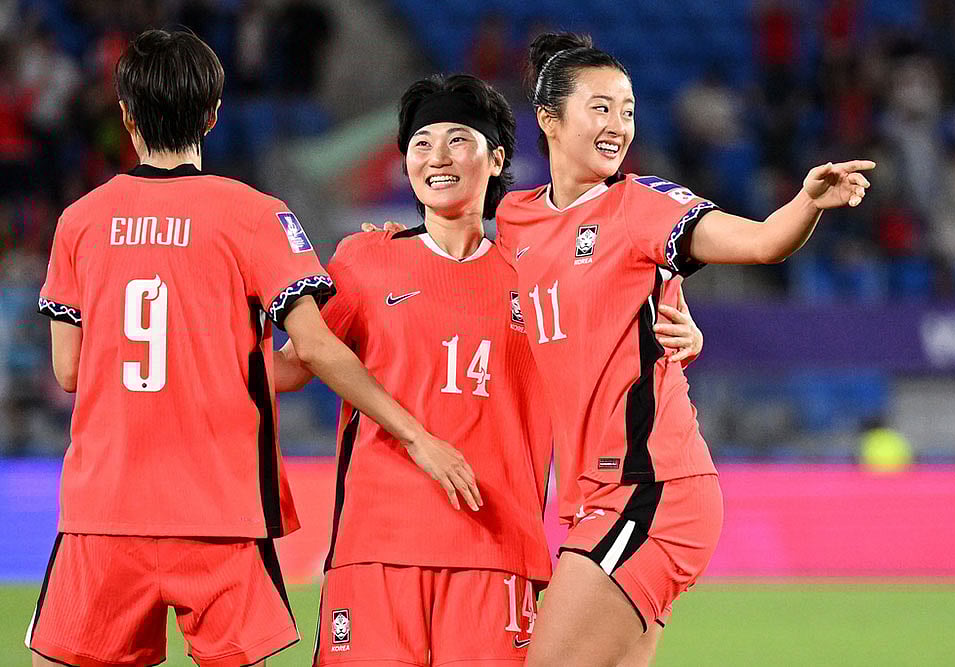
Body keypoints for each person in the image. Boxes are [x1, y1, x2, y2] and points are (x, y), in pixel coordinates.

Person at [27, 29, 475, 667]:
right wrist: (415, 434)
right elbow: (313, 352)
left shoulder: (81, 220)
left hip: (105, 509)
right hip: (223, 510)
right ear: (212, 115)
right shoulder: (255, 213)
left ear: (124, 114)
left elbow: (69, 370)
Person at [496, 32, 875, 667]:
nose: (619, 124)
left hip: (650, 487)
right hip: (591, 496)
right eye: (601, 107)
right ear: (548, 119)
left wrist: (806, 203)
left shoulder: (643, 206)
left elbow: (759, 243)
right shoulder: (515, 219)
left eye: (629, 109)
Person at [274, 73, 549, 666]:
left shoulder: (536, 273)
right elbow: (295, 366)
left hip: (496, 547)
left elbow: (603, 357)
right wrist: (192, 363)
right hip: (378, 544)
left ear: (496, 156)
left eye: (458, 140)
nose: (437, 158)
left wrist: (686, 331)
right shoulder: (364, 258)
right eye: (421, 143)